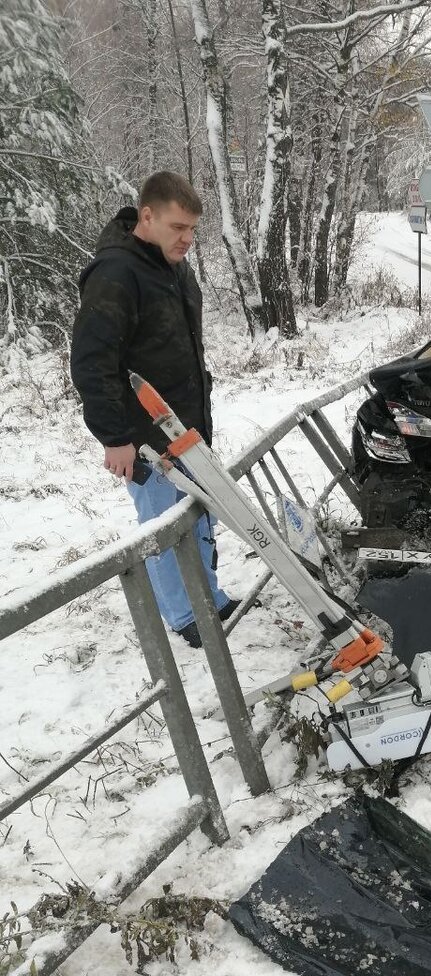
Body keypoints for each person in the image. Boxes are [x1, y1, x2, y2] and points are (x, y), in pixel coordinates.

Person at [70, 171, 234, 647]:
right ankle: (186, 616)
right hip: (145, 437)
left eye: (192, 230)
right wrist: (114, 437)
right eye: (178, 227)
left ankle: (212, 599)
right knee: (166, 528)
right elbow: (91, 361)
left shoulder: (173, 266)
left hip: (189, 424)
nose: (187, 238)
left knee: (199, 515)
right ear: (147, 215)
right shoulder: (115, 274)